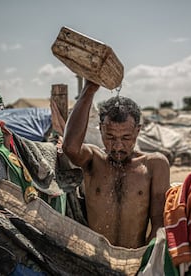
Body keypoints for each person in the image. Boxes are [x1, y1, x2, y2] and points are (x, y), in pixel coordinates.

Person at [62, 80, 170, 249]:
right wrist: (89, 90)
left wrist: (147, 263)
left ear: (138, 131)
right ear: (100, 129)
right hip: (95, 258)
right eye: (110, 137)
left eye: (126, 138)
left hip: (135, 258)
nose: (118, 146)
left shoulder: (154, 165)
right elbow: (70, 148)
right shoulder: (93, 160)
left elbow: (159, 222)